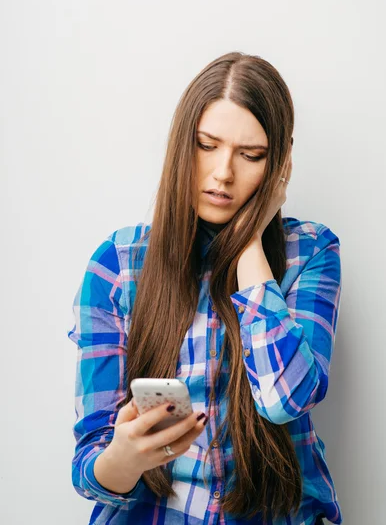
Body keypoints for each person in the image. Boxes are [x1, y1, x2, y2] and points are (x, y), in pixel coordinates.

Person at [68, 51, 342, 525]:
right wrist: (126, 457)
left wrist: (251, 240)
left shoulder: (310, 252)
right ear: (181, 144)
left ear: (280, 163)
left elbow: (285, 399)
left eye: (251, 155)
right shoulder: (118, 266)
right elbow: (88, 470)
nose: (223, 174)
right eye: (206, 145)